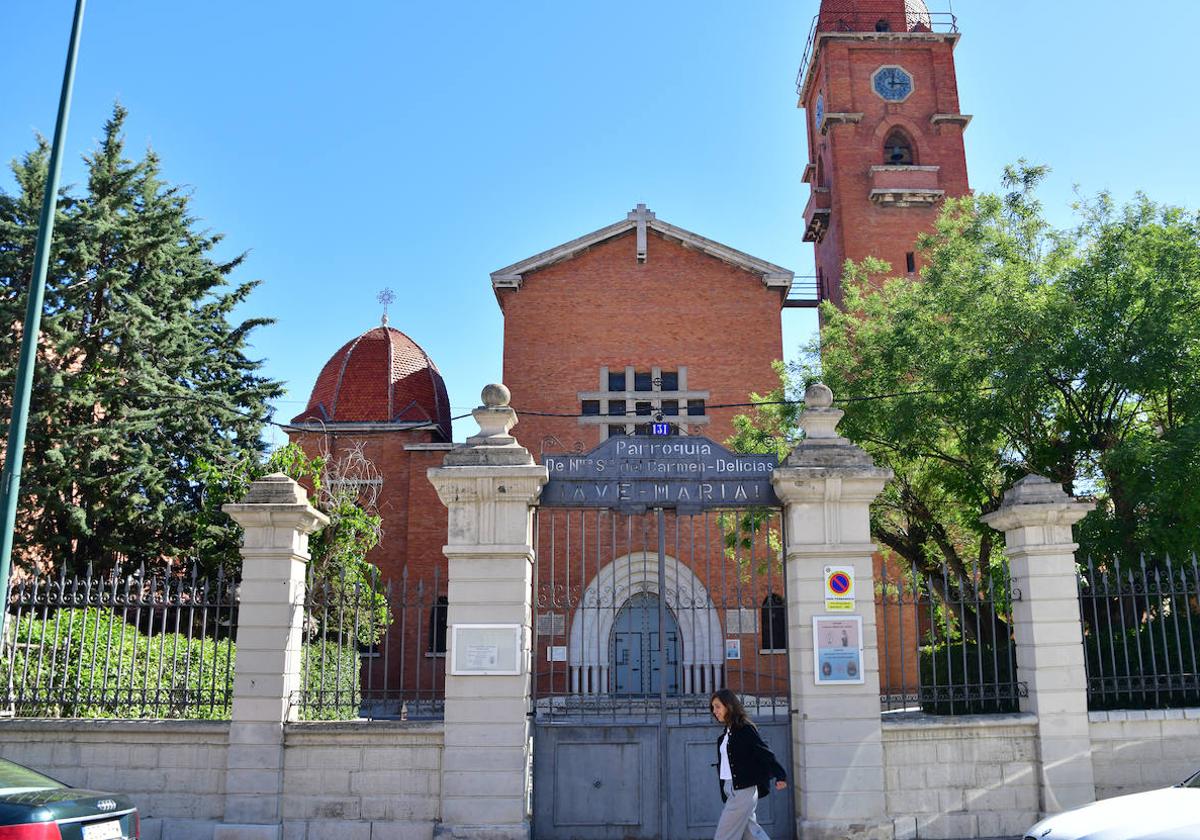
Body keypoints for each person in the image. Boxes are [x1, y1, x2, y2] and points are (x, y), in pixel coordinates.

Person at [709, 688, 788, 840]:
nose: (715, 711)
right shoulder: (726, 733)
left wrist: (780, 775)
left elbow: (764, 752)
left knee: (723, 835)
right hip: (731, 789)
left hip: (743, 791)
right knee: (752, 834)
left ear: (729, 706)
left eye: (718, 706)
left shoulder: (745, 729)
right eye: (713, 707)